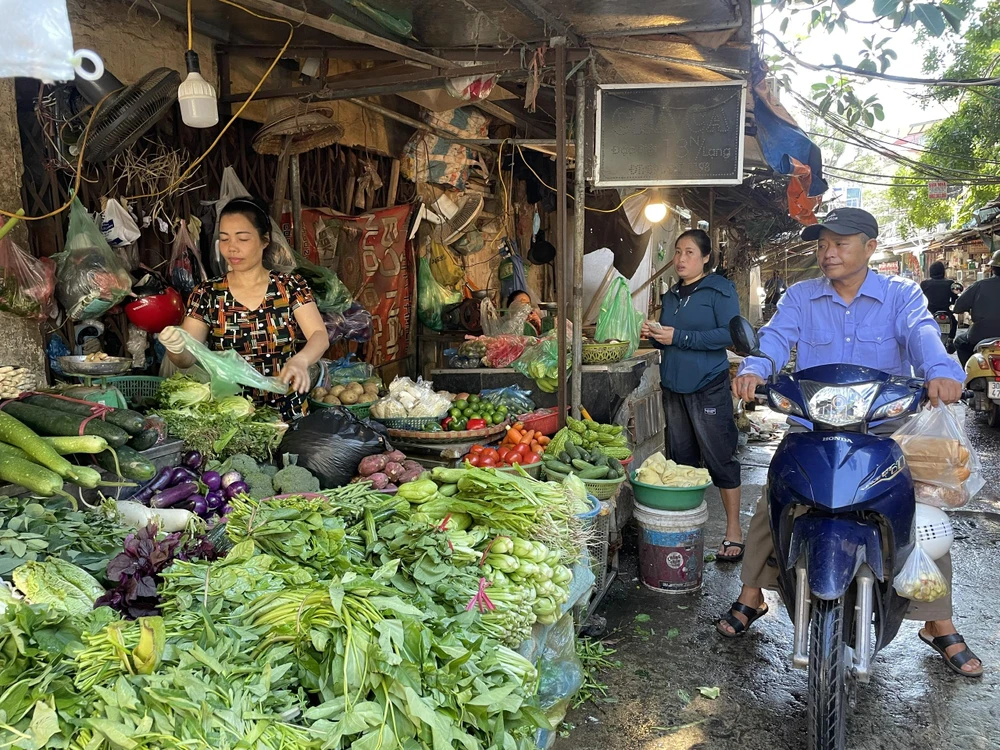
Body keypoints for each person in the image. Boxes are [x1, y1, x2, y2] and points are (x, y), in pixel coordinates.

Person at [722, 208, 982, 677]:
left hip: (884, 424)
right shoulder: (802, 296)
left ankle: (937, 621)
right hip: (814, 423)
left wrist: (941, 371)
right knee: (777, 492)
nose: (828, 252)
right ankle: (753, 593)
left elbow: (924, 335)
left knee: (921, 508)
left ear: (870, 247)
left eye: (840, 243)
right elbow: (776, 338)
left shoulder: (901, 295)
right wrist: (756, 367)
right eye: (823, 243)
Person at [159, 197, 329, 420]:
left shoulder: (289, 286)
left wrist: (301, 360)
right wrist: (176, 347)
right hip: (231, 417)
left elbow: (319, 335)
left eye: (243, 238)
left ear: (264, 240)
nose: (232, 248)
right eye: (224, 239)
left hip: (288, 414)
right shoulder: (208, 293)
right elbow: (187, 358)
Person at [640, 229, 744, 561]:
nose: (681, 259)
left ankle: (733, 531)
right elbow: (670, 337)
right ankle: (686, 530)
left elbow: (729, 334)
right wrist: (655, 334)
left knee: (719, 457)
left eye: (689, 253)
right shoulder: (671, 296)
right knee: (680, 461)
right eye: (677, 252)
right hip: (674, 387)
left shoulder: (719, 289)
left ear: (705, 258)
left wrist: (679, 337)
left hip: (708, 385)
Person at [952, 250, 1000, 367]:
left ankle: (970, 374)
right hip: (981, 336)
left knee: (960, 342)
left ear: (993, 268)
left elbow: (958, 308)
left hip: (981, 336)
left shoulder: (979, 285)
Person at [920, 261, 959, 339]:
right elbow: (955, 298)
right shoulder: (950, 283)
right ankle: (951, 340)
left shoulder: (924, 284)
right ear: (943, 271)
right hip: (945, 311)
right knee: (954, 322)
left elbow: (920, 299)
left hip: (930, 312)